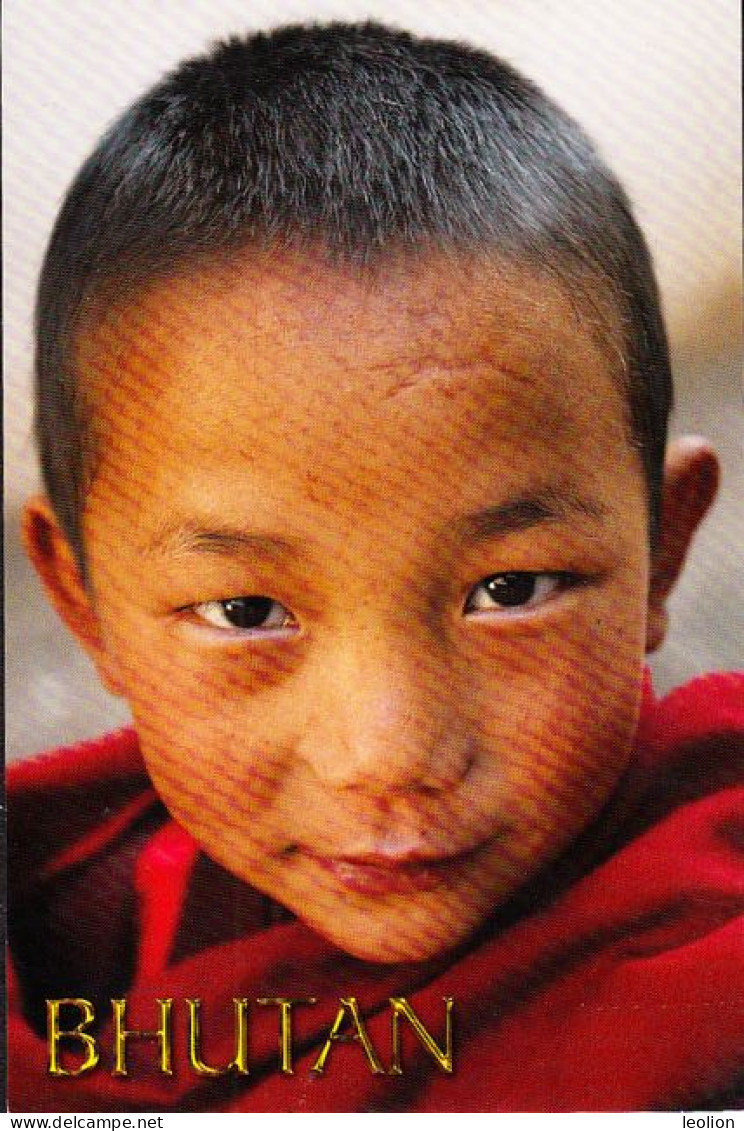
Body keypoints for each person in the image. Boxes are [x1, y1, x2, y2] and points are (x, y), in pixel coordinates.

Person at [7, 21, 743, 1112]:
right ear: (85, 601)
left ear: (665, 547)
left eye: (512, 591)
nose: (389, 753)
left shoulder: (708, 975)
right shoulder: (63, 924)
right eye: (248, 609)